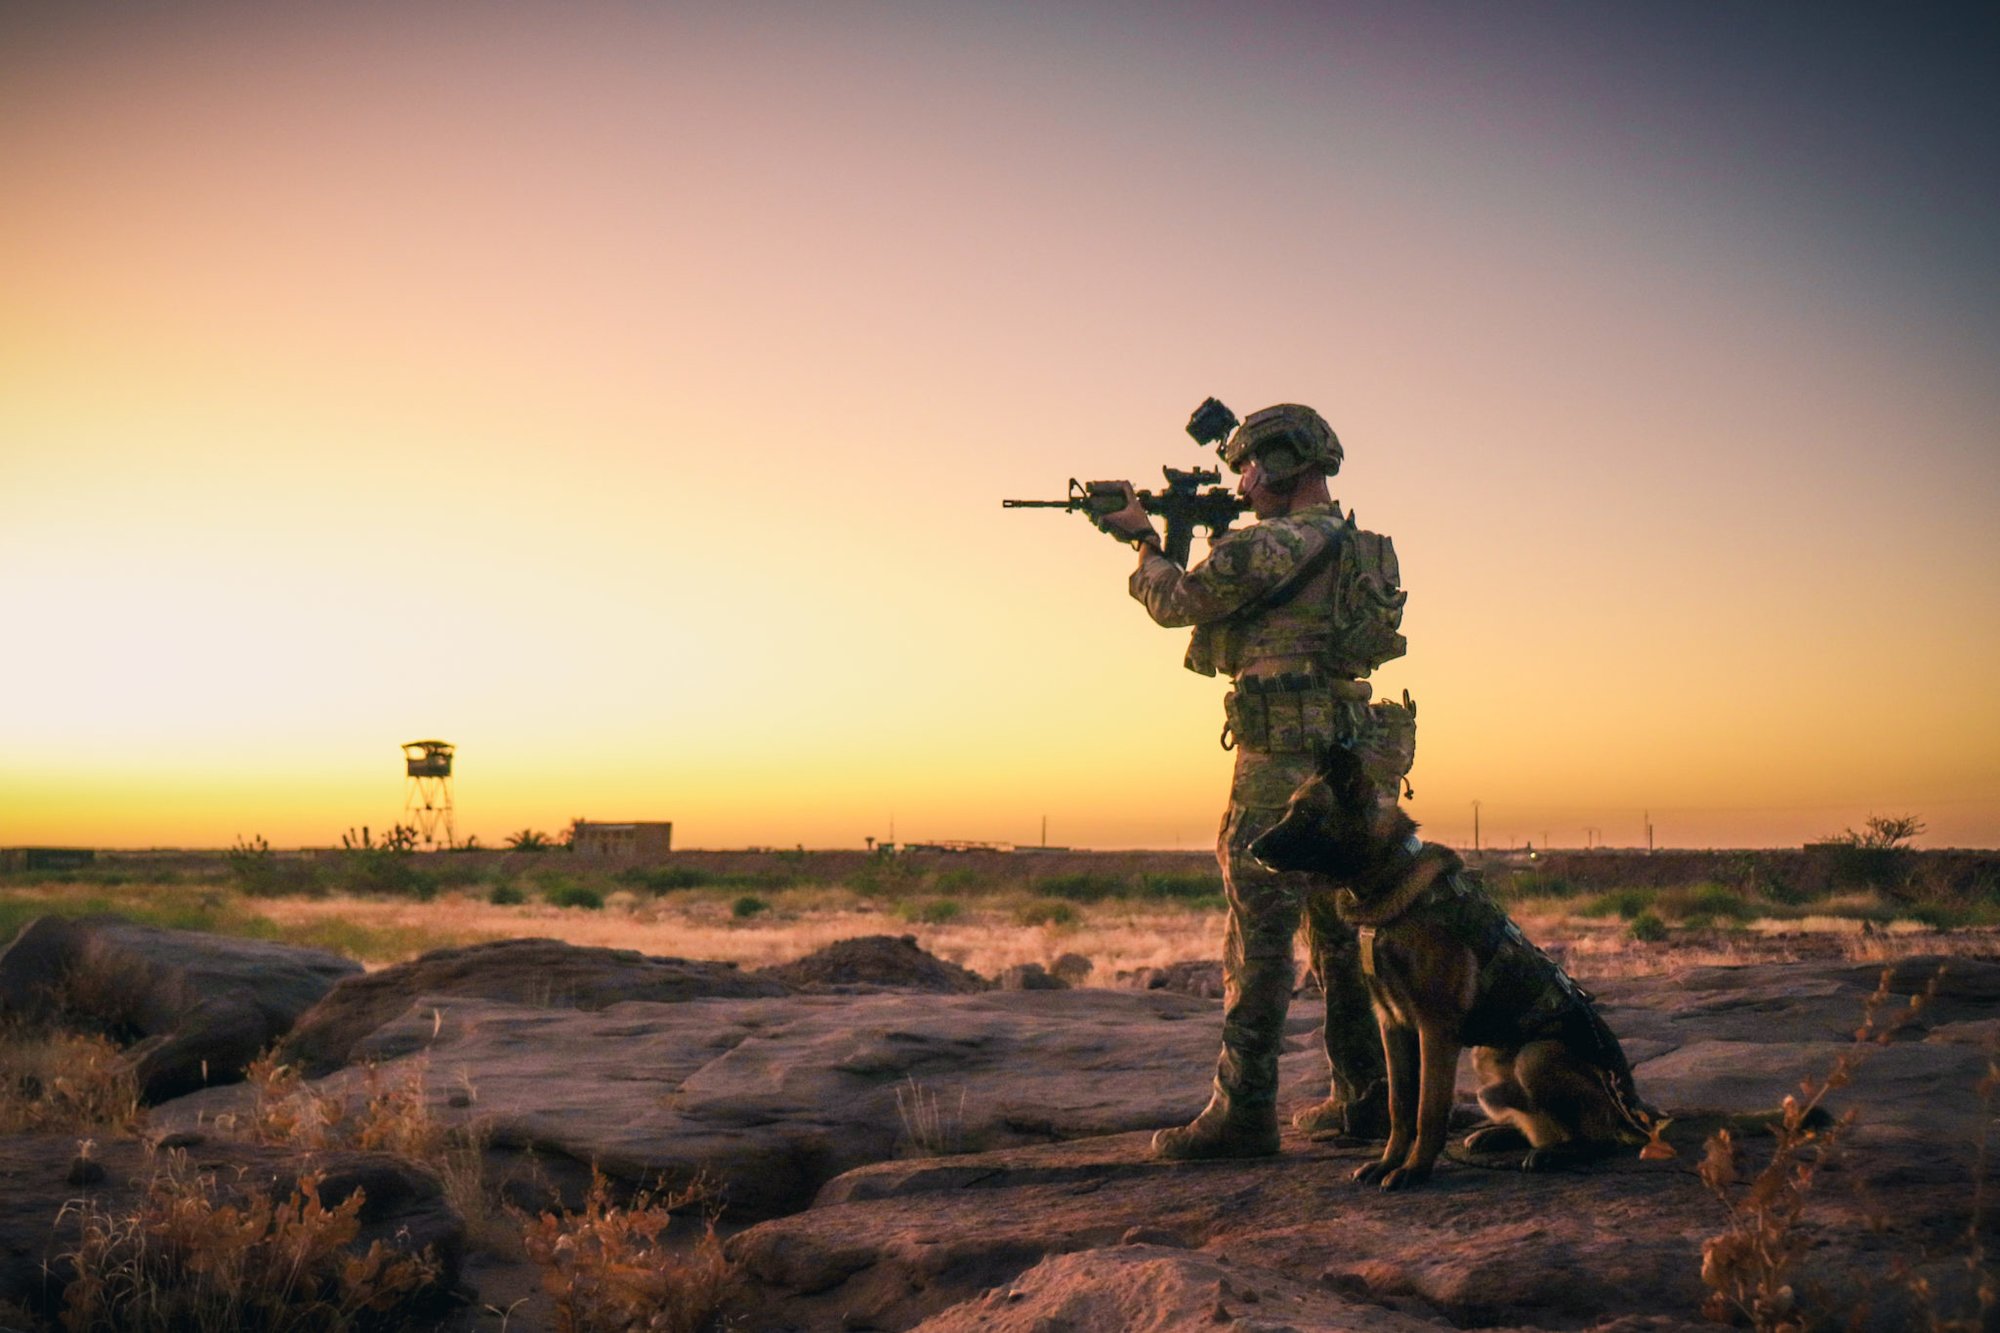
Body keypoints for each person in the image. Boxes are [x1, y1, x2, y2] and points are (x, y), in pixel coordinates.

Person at [1091, 403, 1415, 1160]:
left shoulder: (1269, 544)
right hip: (1356, 760)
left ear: (1281, 462)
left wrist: (1143, 541)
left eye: (1249, 465)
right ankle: (1367, 1100)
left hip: (1280, 763)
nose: (1240, 480)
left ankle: (1242, 1112)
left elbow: (1178, 602)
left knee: (1259, 935)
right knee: (1343, 934)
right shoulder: (1362, 547)